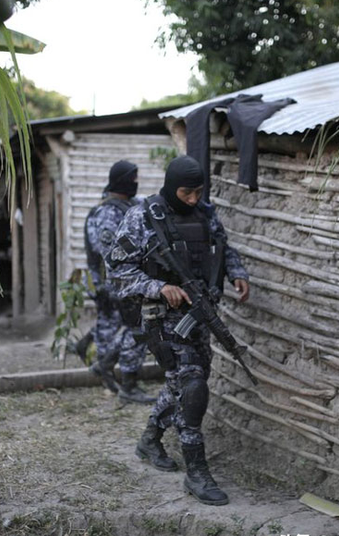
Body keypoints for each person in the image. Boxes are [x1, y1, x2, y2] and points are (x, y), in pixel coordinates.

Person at [106, 155, 250, 505]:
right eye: (186, 192)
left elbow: (222, 248)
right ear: (172, 187)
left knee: (181, 384)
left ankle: (149, 440)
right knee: (192, 386)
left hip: (200, 315)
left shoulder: (205, 212)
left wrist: (236, 273)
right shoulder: (142, 217)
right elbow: (116, 268)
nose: (192, 199)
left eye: (198, 192)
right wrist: (157, 286)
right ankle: (197, 472)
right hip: (162, 317)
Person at [83, 160, 155, 404]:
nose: (136, 183)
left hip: (130, 282)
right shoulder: (106, 213)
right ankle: (128, 384)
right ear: (122, 179)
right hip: (116, 284)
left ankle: (104, 366)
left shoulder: (130, 205)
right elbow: (112, 253)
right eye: (133, 179)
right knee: (137, 330)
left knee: (131, 329)